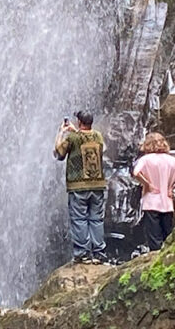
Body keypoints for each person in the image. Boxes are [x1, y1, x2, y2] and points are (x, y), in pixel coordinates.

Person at [54, 110, 107, 264]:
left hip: (78, 186)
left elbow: (59, 153)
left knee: (79, 220)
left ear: (79, 122)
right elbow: (86, 138)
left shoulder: (73, 138)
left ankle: (82, 254)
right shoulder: (98, 136)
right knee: (96, 219)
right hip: (97, 185)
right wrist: (74, 130)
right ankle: (99, 253)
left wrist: (61, 132)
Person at [133, 132, 175, 251]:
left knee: (154, 238)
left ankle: (155, 261)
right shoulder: (171, 160)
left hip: (150, 202)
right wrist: (173, 186)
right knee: (167, 236)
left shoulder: (145, 159)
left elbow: (136, 173)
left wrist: (147, 183)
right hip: (167, 203)